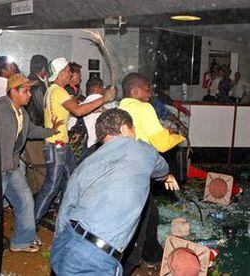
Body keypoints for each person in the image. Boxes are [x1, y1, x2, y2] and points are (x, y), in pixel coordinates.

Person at [51, 108, 179, 275]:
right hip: (96, 259)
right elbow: (162, 169)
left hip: (65, 246)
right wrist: (166, 177)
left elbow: (64, 212)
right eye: (134, 130)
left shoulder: (85, 165)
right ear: (125, 128)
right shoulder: (142, 149)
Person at [33, 57, 115, 245]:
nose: (71, 74)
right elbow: (77, 111)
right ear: (61, 72)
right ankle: (31, 229)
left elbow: (71, 113)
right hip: (56, 146)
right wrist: (105, 98)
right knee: (51, 188)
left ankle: (65, 222)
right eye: (68, 71)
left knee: (70, 182)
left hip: (63, 145)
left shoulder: (52, 91)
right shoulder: (59, 92)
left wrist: (95, 110)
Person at [119, 72, 185, 274]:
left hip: (122, 170)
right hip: (138, 173)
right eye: (147, 90)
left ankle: (151, 254)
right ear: (136, 90)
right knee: (144, 220)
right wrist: (177, 137)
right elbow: (161, 144)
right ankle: (132, 262)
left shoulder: (121, 106)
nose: (150, 95)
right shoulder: (144, 107)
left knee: (149, 214)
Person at [0, 73, 61, 253]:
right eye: (25, 91)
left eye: (29, 91)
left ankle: (20, 242)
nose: (29, 95)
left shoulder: (21, 113)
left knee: (25, 201)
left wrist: (51, 131)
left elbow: (31, 131)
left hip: (11, 167)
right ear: (13, 92)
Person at [23, 55, 49, 193]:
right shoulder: (38, 85)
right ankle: (43, 202)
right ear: (44, 68)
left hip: (29, 130)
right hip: (37, 130)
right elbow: (42, 109)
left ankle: (35, 199)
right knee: (40, 167)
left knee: (32, 168)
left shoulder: (29, 80)